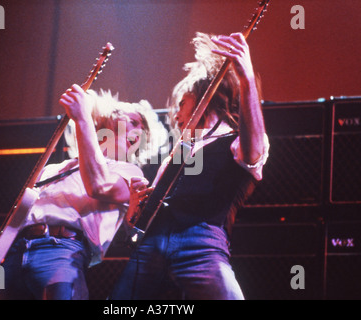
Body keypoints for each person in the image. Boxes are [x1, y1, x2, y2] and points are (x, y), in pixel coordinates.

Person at [0, 86, 165, 300]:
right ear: (107, 119)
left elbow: (98, 185)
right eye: (133, 121)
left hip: (62, 251)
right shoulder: (51, 169)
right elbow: (25, 219)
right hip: (13, 255)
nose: (139, 130)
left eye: (143, 129)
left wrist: (82, 117)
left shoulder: (128, 172)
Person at [109, 32, 270, 300]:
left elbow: (253, 154)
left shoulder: (237, 139)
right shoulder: (179, 151)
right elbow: (138, 224)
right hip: (152, 241)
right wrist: (135, 213)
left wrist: (247, 80)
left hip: (200, 240)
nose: (177, 115)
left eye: (182, 104)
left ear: (204, 95)